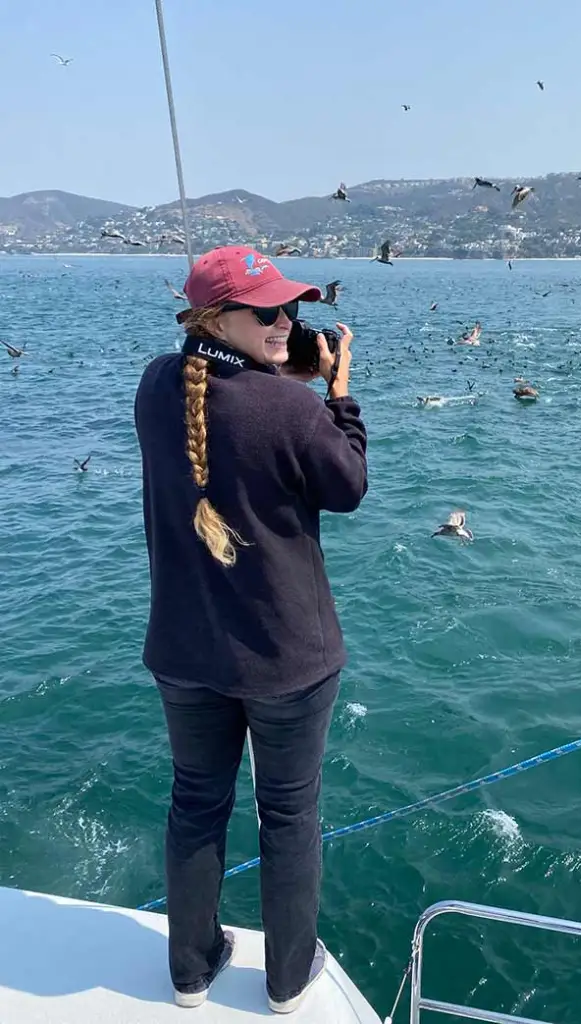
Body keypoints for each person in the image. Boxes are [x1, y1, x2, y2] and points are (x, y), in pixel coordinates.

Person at [134, 246, 367, 1013]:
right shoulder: (292, 411)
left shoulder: (155, 385)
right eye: (266, 311)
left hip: (183, 652)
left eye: (289, 309)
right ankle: (286, 980)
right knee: (289, 817)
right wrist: (337, 393)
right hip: (286, 661)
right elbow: (346, 484)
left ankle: (189, 971)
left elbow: (226, 416)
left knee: (196, 805)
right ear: (215, 316)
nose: (285, 321)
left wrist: (271, 368)